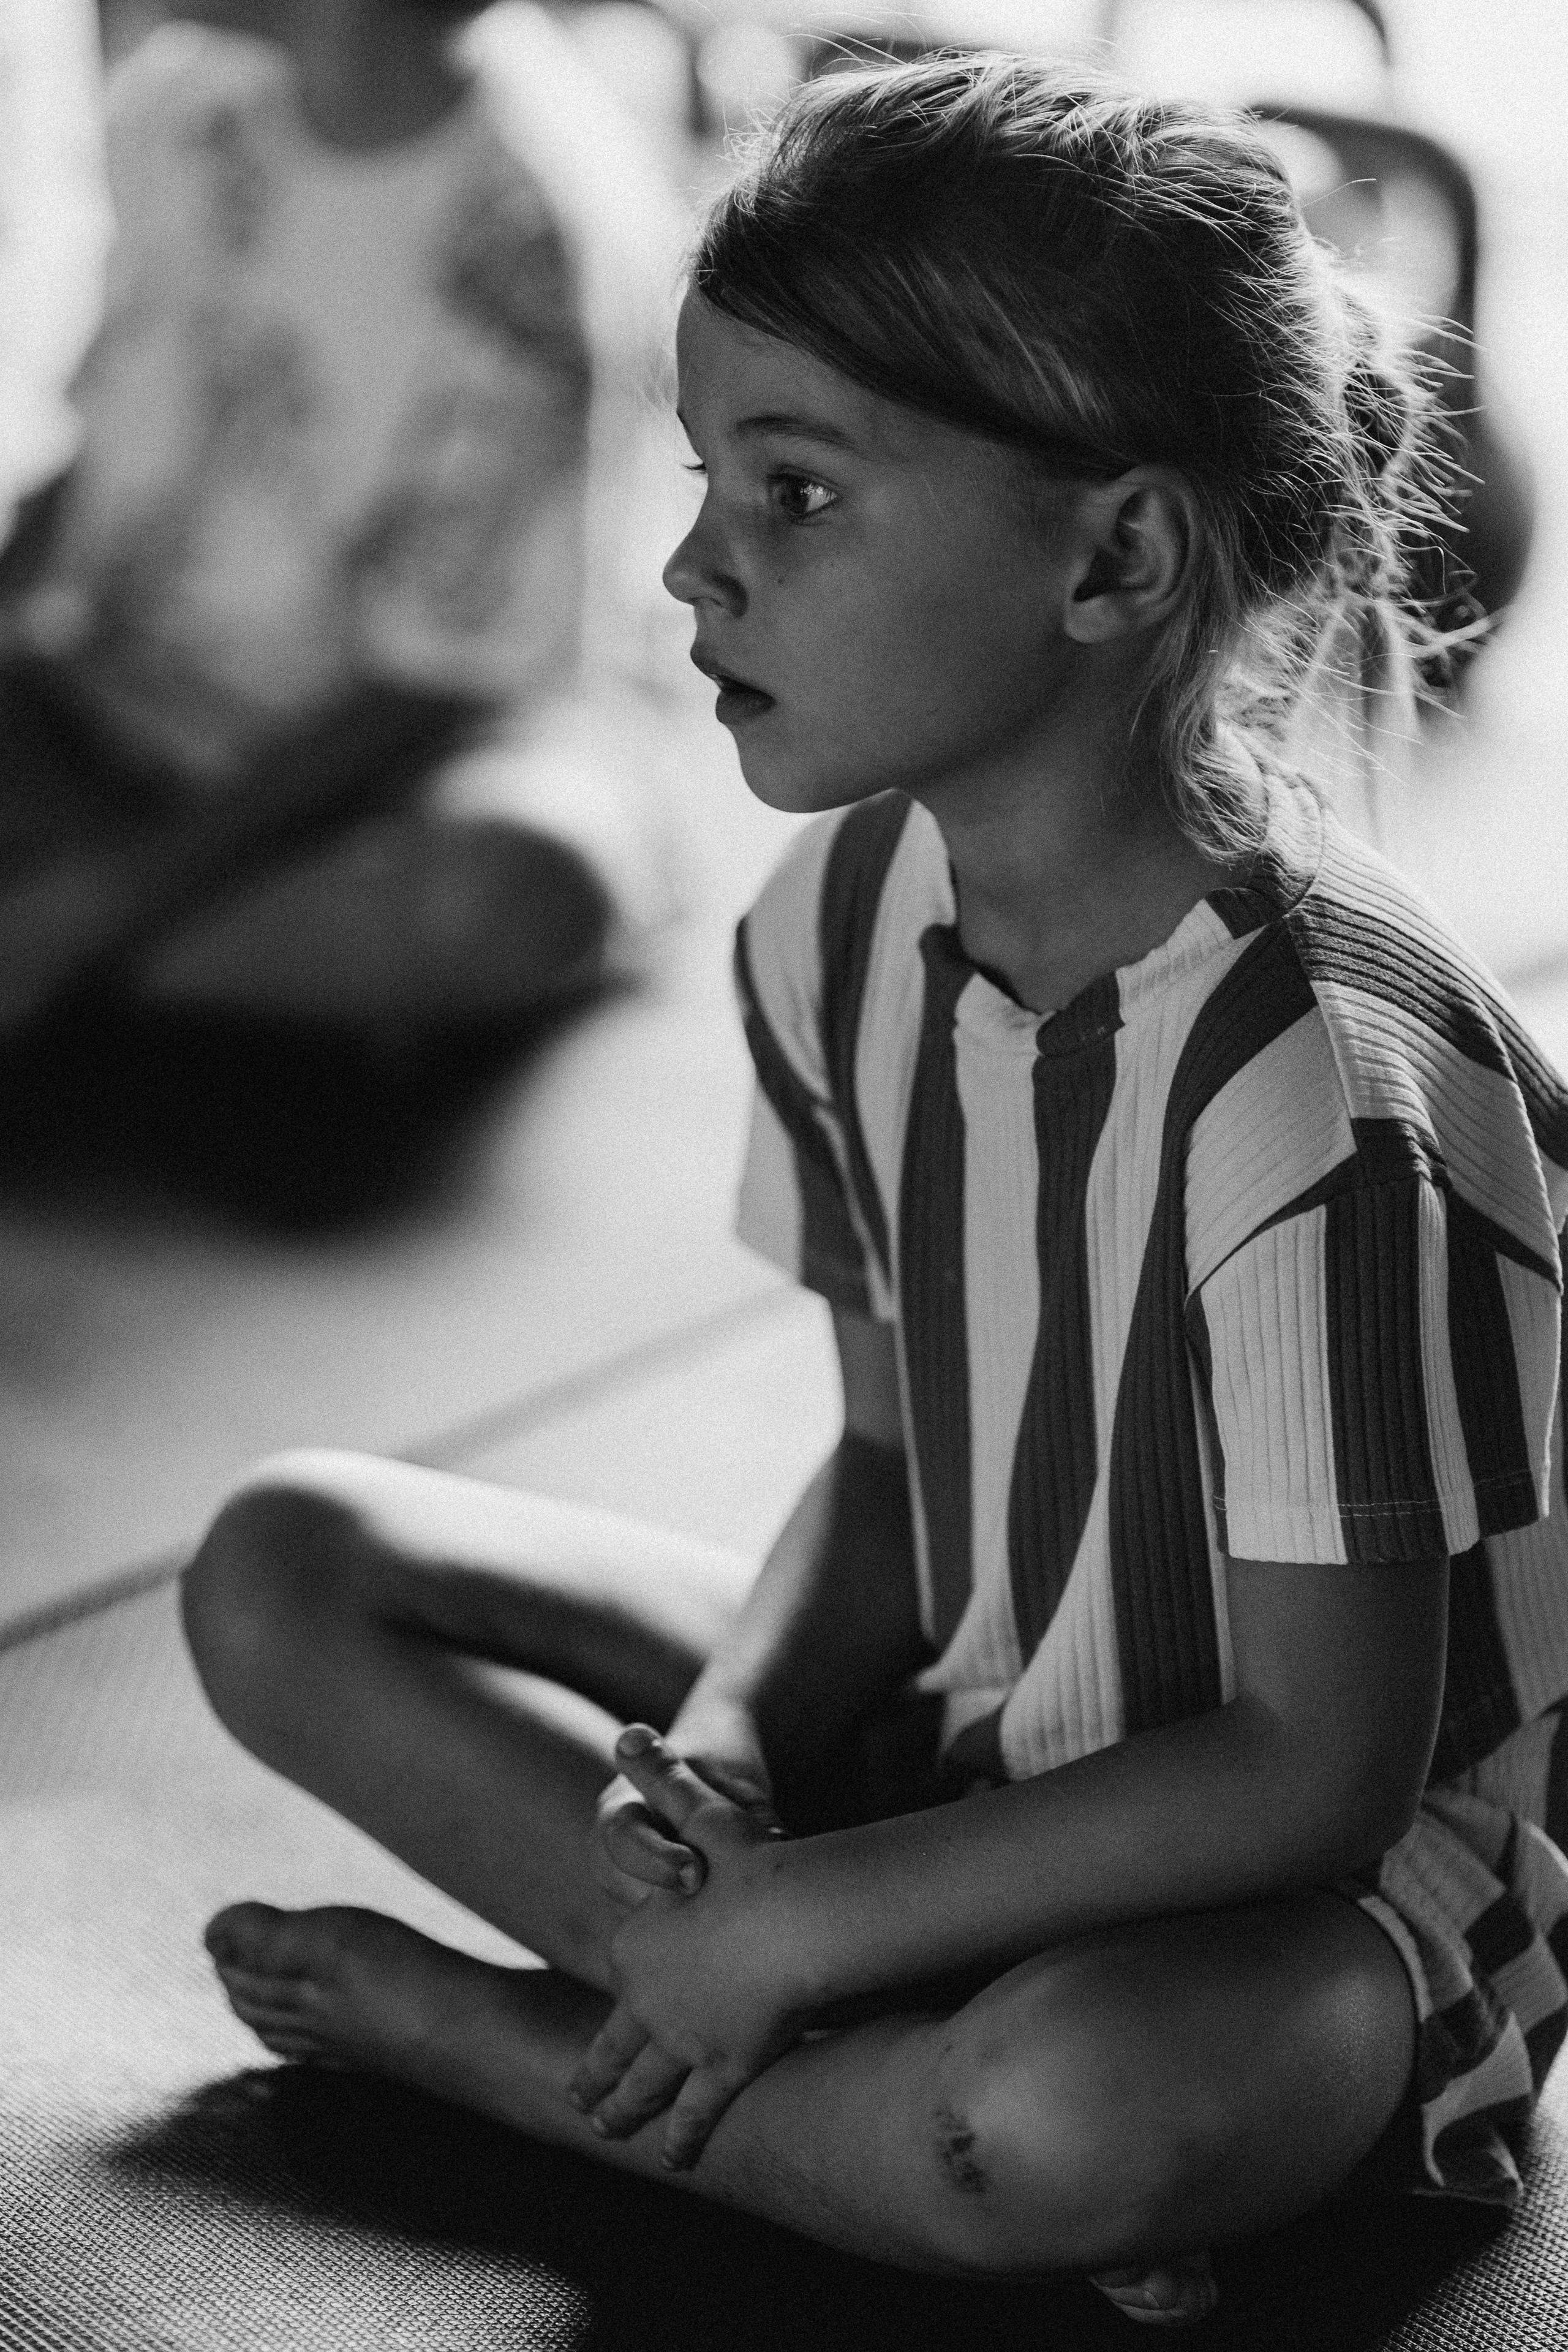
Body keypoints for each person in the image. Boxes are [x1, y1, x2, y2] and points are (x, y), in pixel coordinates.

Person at [179, 58, 1568, 2326]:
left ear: (1113, 556)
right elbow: (894, 1459)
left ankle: (552, 2065)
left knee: (1066, 2116)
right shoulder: (830, 925)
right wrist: (721, 1751)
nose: (692, 564)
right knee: (280, 1567)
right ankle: (783, 2057)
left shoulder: (1320, 1090)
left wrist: (801, 1921)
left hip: (1304, 1895)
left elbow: (1320, 1774)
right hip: (972, 1718)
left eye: (799, 492)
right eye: (711, 474)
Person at [0, 0, 684, 1216]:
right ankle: (176, 984)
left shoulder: (524, 224)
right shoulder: (180, 96)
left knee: (507, 887)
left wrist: (89, 907)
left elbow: (444, 679)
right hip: (131, 688)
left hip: (427, 743)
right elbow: (102, 448)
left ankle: (94, 963)